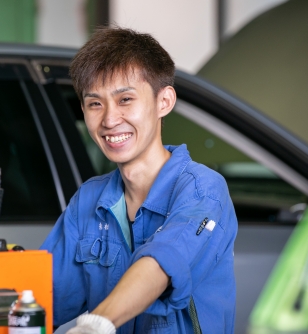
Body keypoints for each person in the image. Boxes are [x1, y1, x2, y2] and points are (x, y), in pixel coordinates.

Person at [40, 27, 237, 334]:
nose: (108, 119)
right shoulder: (88, 202)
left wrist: (95, 325)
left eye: (125, 99)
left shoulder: (202, 190)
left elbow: (161, 264)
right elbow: (44, 298)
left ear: (164, 101)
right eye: (95, 104)